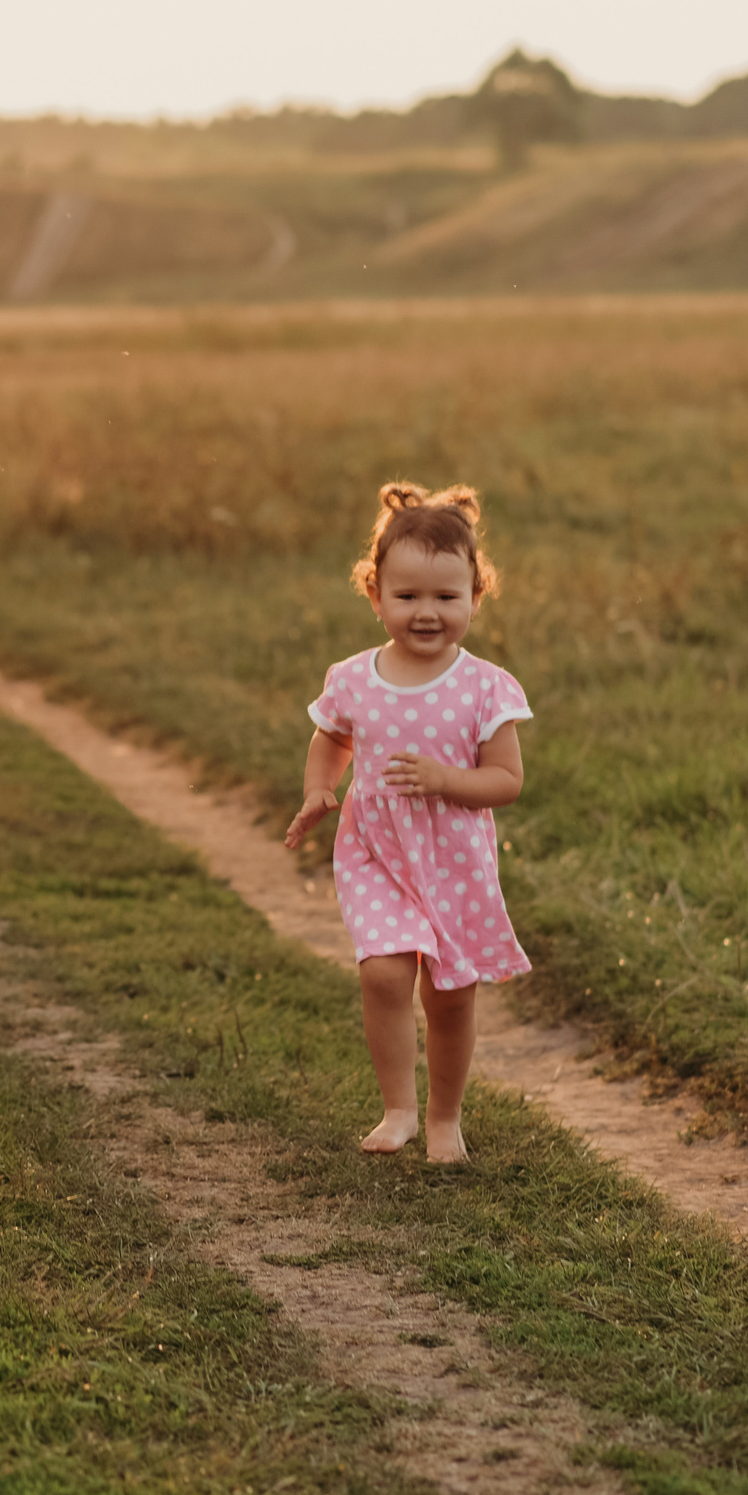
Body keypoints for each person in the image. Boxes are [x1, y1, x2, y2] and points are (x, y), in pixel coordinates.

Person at [284, 483, 532, 1164]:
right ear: (376, 595)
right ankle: (398, 1107)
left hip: (454, 857)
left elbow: (506, 780)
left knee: (450, 993)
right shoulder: (355, 678)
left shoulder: (486, 687)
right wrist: (317, 790)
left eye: (447, 598)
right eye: (408, 596)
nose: (427, 613)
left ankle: (444, 1118)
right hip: (376, 849)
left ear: (476, 597)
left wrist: (447, 780)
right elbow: (331, 738)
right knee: (385, 975)